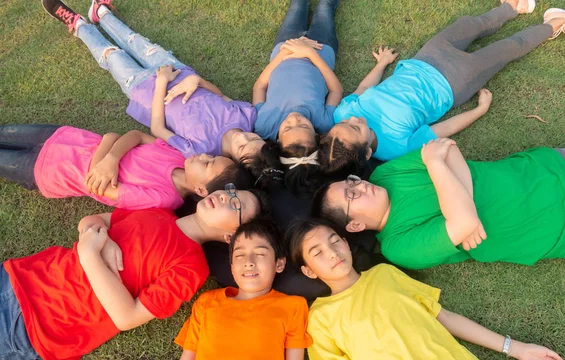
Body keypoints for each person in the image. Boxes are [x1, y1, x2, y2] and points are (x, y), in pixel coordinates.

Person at [286, 218, 565, 360]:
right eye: (318, 253)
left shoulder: (386, 274)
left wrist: (516, 348)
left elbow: (444, 317)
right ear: (309, 272)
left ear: (346, 243)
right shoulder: (320, 318)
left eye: (334, 241)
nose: (332, 253)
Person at [0, 184, 270, 360]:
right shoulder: (158, 211)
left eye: (235, 204)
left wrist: (90, 255)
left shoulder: (191, 268)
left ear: (230, 237)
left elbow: (126, 317)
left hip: (35, 322)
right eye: (232, 190)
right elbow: (92, 220)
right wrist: (100, 240)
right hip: (22, 274)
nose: (226, 196)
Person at [319, 0, 565, 178]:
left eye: (345, 122)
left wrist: (382, 64)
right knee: (507, 49)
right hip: (455, 82)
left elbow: (364, 87)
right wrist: (480, 110)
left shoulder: (342, 112)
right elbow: (444, 130)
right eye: (356, 128)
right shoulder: (395, 147)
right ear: (367, 153)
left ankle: (511, 7)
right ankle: (558, 22)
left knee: (466, 26)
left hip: (422, 62)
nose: (353, 119)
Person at [312, 139, 565, 270]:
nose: (360, 185)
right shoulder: (399, 246)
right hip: (563, 222)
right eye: (352, 195)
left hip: (544, 166)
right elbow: (463, 225)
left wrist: (439, 165)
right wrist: (437, 166)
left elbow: (445, 148)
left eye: (352, 182)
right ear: (356, 224)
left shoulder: (384, 173)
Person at [41, 0, 266, 165]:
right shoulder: (247, 117)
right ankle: (101, 12)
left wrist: (160, 83)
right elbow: (220, 95)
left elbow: (158, 128)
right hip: (174, 69)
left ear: (238, 160)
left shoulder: (201, 150)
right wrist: (197, 81)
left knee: (111, 55)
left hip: (145, 91)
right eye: (253, 137)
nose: (244, 136)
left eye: (243, 146)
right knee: (134, 40)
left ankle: (78, 24)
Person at [157, 220, 312, 360]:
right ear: (231, 266)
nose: (249, 262)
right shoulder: (207, 303)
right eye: (240, 255)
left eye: (260, 253)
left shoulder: (292, 307)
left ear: (279, 264)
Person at [0, 124, 252, 209]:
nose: (203, 156)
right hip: (65, 136)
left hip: (49, 170)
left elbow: (98, 187)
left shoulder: (163, 199)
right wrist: (109, 159)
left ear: (201, 190)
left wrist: (110, 141)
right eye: (210, 155)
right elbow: (136, 135)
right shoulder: (177, 157)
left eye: (207, 164)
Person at [251, 0, 343, 196]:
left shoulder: (265, 124)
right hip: (321, 49)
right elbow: (336, 91)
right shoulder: (323, 122)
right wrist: (310, 54)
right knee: (325, 7)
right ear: (317, 136)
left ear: (276, 142)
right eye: (304, 126)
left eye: (287, 128)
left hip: (285, 47)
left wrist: (287, 52)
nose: (294, 119)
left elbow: (260, 86)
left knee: (297, 6)